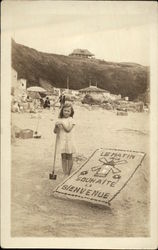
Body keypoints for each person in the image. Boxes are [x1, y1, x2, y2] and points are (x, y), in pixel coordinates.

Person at [54, 102, 76, 176]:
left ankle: (68, 172)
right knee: (63, 156)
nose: (66, 112)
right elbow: (55, 132)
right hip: (62, 140)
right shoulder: (60, 119)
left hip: (69, 141)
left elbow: (68, 130)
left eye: (68, 111)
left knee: (69, 156)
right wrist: (56, 126)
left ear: (71, 112)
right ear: (62, 111)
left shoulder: (72, 120)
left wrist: (62, 124)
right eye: (65, 110)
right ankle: (64, 172)